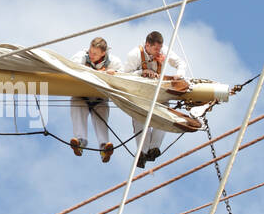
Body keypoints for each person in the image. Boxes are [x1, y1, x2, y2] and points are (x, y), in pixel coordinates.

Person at [122, 30, 190, 169]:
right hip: (140, 92)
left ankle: (154, 148)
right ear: (147, 45)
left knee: (164, 116)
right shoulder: (134, 54)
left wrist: (179, 75)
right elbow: (125, 75)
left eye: (160, 48)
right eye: (155, 49)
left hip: (159, 92)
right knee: (140, 118)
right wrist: (141, 72)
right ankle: (142, 151)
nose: (158, 51)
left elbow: (181, 63)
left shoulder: (164, 51)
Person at [69, 36, 122, 163]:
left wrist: (114, 72)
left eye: (95, 54)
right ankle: (80, 142)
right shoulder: (81, 56)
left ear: (103, 53)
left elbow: (123, 73)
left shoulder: (113, 61)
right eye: (91, 51)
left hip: (100, 98)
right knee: (76, 104)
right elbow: (71, 66)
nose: (91, 55)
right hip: (81, 96)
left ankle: (104, 148)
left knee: (101, 119)